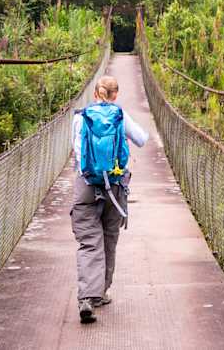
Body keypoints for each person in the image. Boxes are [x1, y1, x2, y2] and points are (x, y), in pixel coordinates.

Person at [70, 75, 147, 324]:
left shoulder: (80, 118)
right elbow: (143, 139)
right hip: (115, 186)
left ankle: (86, 298)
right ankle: (100, 293)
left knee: (89, 243)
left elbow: (76, 150)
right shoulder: (119, 115)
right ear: (115, 95)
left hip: (86, 187)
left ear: (95, 94)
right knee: (108, 239)